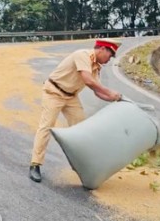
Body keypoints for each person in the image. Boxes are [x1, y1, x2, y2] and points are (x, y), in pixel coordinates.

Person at [29, 38, 123, 182]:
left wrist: (114, 99)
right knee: (46, 127)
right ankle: (35, 164)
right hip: (53, 92)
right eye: (110, 55)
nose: (109, 59)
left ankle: (81, 166)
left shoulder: (96, 66)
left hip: (71, 97)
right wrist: (110, 92)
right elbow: (87, 80)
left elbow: (96, 90)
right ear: (103, 49)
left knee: (81, 129)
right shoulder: (82, 55)